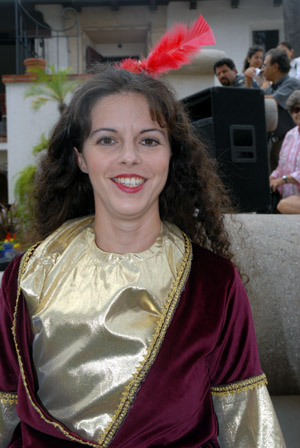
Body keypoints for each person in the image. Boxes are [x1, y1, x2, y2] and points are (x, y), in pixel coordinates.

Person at [0, 64, 286, 448]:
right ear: (81, 158)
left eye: (149, 141)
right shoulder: (26, 278)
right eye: (107, 140)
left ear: (172, 155)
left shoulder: (214, 283)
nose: (129, 157)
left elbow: (246, 419)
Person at [261, 48, 300, 170]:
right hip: (272, 142)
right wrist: (248, 81)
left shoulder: (292, 83)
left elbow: (272, 102)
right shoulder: (270, 88)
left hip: (288, 142)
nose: (263, 69)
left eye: (265, 65)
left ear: (275, 66)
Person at [270, 90, 300, 213]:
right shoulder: (289, 135)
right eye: (296, 109)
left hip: (291, 203)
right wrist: (272, 178)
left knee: (283, 205)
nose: (298, 113)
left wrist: (284, 179)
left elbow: (284, 176)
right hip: (290, 201)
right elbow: (282, 167)